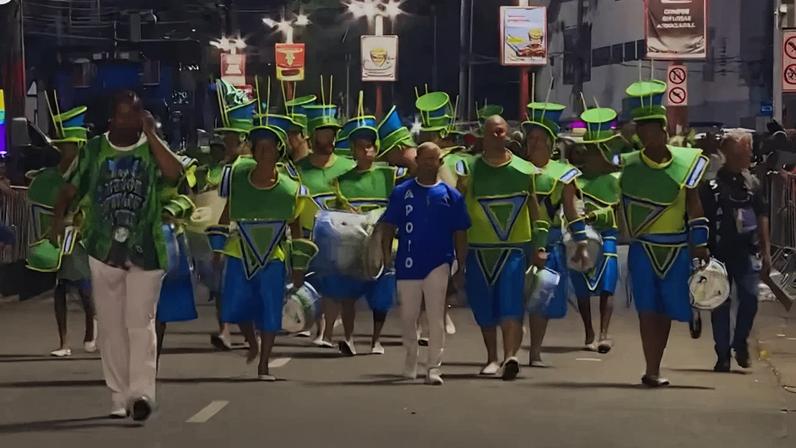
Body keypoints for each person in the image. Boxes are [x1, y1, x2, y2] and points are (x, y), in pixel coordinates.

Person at [51, 91, 184, 421]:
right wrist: (56, 219)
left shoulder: (152, 148)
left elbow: (174, 174)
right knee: (111, 326)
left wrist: (152, 135)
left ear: (143, 116)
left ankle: (141, 394)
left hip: (147, 251)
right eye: (122, 115)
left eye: (134, 115)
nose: (127, 122)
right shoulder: (94, 150)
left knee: (141, 322)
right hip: (102, 249)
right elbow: (70, 188)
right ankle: (118, 393)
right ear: (112, 117)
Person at [621, 80, 710, 387]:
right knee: (647, 309)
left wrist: (700, 244)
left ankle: (656, 363)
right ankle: (651, 368)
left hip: (676, 249)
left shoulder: (687, 163)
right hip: (643, 248)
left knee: (667, 310)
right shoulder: (629, 166)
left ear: (662, 130)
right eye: (640, 131)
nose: (646, 136)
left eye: (650, 130)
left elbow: (694, 204)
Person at [214, 113, 316, 380]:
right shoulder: (236, 178)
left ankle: (264, 364)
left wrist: (298, 267)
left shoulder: (290, 188)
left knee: (271, 308)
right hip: (238, 251)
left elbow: (296, 227)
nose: (263, 151)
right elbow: (226, 213)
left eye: (269, 147)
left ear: (279, 152)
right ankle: (252, 343)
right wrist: (216, 250)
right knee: (234, 306)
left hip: (274, 255)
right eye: (259, 146)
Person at [454, 115, 547, 380]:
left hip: (513, 250)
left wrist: (539, 246)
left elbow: (535, 211)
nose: (497, 136)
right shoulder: (469, 170)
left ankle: (510, 357)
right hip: (479, 249)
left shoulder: (523, 170)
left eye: (501, 131)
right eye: (492, 132)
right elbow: (458, 215)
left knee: (510, 304)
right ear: (482, 135)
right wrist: (458, 258)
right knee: (483, 307)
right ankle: (491, 357)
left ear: (508, 134)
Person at [314, 98, 404, 356]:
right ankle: (350, 338)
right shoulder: (340, 181)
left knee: (381, 296)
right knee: (348, 294)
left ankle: (376, 340)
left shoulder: (389, 175)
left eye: (371, 145)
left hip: (382, 244)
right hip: (352, 245)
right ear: (352, 150)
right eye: (361, 146)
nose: (366, 150)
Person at [379, 142, 470, 385]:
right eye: (426, 159)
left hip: (439, 262)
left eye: (435, 159)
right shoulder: (402, 192)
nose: (431, 164)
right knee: (408, 316)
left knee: (435, 317)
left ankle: (434, 368)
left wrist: (461, 265)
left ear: (440, 162)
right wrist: (385, 253)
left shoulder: (452, 196)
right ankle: (411, 359)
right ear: (417, 160)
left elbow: (461, 233)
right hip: (408, 262)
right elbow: (389, 226)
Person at [521, 102, 589, 367]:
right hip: (517, 241)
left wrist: (581, 243)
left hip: (549, 243)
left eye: (540, 138)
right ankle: (512, 345)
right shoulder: (514, 168)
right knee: (513, 298)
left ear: (551, 143)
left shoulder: (564, 174)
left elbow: (571, 211)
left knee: (541, 300)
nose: (535, 143)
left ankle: (534, 350)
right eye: (531, 138)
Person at [26, 101, 95, 357]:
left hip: (81, 236)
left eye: (68, 144)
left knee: (84, 288)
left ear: (77, 147)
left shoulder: (88, 173)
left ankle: (91, 326)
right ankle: (63, 342)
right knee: (60, 287)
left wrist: (81, 219)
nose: (64, 149)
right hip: (58, 235)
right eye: (61, 145)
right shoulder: (50, 175)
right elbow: (41, 199)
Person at [700, 131, 771, 372]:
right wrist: (699, 249)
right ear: (729, 155)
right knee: (719, 302)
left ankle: (740, 341)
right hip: (717, 252)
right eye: (743, 153)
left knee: (750, 297)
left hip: (746, 251)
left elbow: (763, 217)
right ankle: (722, 354)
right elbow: (700, 219)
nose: (748, 157)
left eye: (748, 153)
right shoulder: (710, 186)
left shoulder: (752, 184)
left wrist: (766, 251)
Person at [297, 97, 355, 346]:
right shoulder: (296, 169)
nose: (330, 139)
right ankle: (317, 326)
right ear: (312, 137)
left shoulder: (348, 167)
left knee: (332, 285)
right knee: (310, 284)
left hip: (337, 238)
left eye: (332, 133)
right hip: (306, 235)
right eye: (323, 134)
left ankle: (327, 331)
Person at [566, 108, 624, 354]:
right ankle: (589, 331)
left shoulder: (616, 180)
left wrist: (596, 215)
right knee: (581, 284)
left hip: (608, 235)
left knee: (608, 284)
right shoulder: (575, 180)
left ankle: (604, 333)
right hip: (582, 237)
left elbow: (618, 214)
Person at [205, 80, 255, 351]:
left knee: (244, 286)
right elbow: (224, 206)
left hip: (255, 234)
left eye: (230, 139)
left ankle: (249, 334)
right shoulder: (227, 168)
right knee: (224, 284)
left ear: (243, 140)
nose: (225, 144)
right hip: (233, 234)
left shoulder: (250, 167)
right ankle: (225, 331)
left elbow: (229, 207)